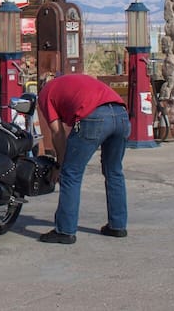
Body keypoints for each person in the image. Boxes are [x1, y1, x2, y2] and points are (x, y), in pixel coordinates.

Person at [35, 73, 130, 244]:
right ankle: (118, 226)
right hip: (121, 114)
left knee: (71, 173)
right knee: (114, 171)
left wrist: (60, 164)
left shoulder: (45, 93)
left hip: (94, 117)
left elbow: (57, 132)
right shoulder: (73, 80)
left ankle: (65, 231)